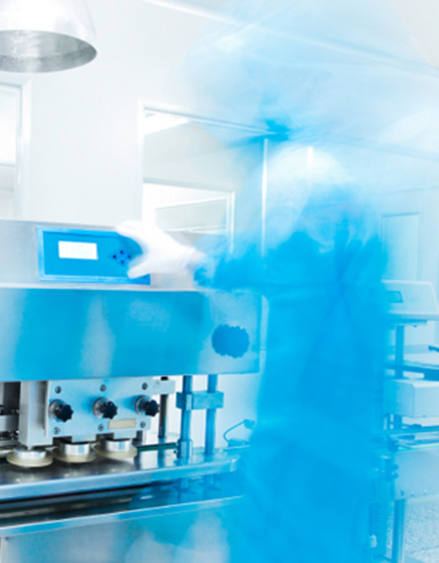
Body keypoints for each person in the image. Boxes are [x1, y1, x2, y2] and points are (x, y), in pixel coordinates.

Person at [118, 146, 388, 562]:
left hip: (302, 451)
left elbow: (270, 264)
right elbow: (265, 266)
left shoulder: (323, 255)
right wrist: (190, 259)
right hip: (325, 448)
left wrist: (188, 258)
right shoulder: (354, 256)